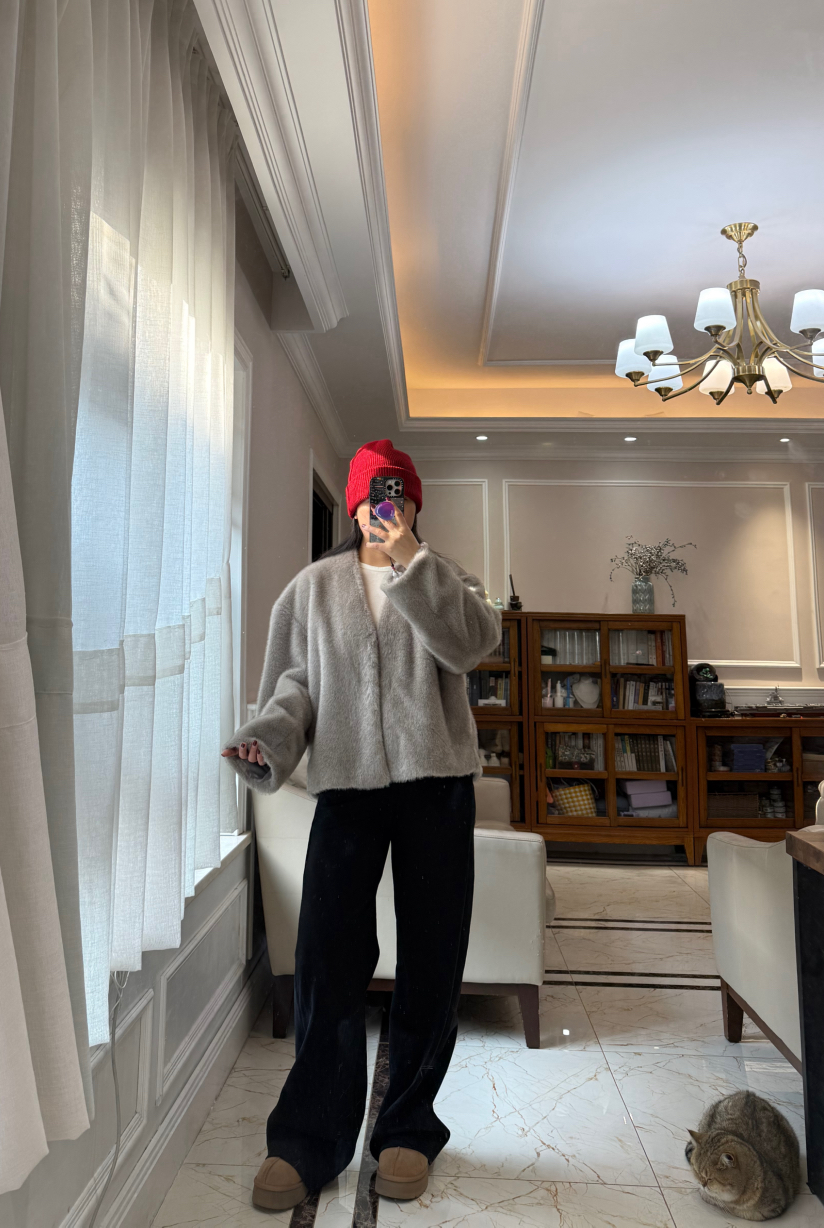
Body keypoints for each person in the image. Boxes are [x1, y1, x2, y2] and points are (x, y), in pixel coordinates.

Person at [221, 439, 501, 1210]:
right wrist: (269, 740)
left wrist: (409, 559)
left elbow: (472, 645)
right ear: (352, 504)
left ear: (414, 503)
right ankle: (306, 1138)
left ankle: (409, 1127)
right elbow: (293, 689)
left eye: (399, 495)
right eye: (376, 496)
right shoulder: (310, 591)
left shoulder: (448, 579)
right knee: (327, 960)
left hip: (437, 787)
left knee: (434, 958)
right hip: (346, 787)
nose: (387, 507)